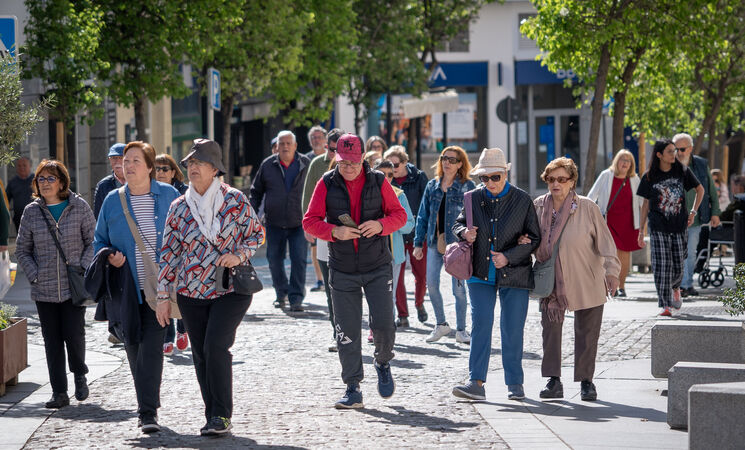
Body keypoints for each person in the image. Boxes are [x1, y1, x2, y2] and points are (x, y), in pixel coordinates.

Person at [158, 139, 264, 436]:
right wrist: (163, 295)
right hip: (190, 292)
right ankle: (213, 415)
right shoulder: (179, 207)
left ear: (214, 169)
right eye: (190, 163)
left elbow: (257, 235)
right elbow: (168, 253)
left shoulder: (235, 200)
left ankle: (221, 414)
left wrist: (238, 255)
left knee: (216, 346)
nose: (192, 168)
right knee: (201, 354)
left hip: (230, 289)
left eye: (199, 163)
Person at [303, 133, 407, 409]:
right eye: (342, 162)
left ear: (362, 158)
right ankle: (352, 387)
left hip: (377, 265)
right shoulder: (326, 183)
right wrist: (333, 231)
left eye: (352, 162)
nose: (347, 167)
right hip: (342, 267)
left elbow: (400, 216)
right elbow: (310, 221)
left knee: (384, 323)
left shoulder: (379, 181)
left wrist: (381, 226)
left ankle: (382, 361)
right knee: (346, 330)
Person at [94, 141, 180, 433]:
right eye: (125, 161)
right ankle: (147, 406)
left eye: (135, 161)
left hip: (160, 290)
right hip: (126, 290)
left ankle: (147, 412)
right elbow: (98, 240)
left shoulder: (169, 195)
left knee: (151, 350)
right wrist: (109, 255)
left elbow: (184, 235)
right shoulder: (112, 200)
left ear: (150, 167)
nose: (127, 166)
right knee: (133, 349)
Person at [450, 148, 540, 401]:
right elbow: (457, 224)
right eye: (484, 178)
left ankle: (515, 384)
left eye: (495, 177)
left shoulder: (523, 200)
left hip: (515, 272)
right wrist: (463, 233)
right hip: (479, 272)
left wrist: (508, 256)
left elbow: (534, 238)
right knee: (481, 325)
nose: (489, 183)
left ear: (505, 174)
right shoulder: (472, 198)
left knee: (512, 328)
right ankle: (476, 382)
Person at [531, 157, 621, 402]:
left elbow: (606, 243)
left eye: (562, 179)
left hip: (586, 277)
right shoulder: (538, 207)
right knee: (550, 331)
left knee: (587, 332)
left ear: (572, 181)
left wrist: (612, 272)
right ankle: (553, 380)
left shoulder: (587, 207)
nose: (556, 184)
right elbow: (530, 239)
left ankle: (586, 382)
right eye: (551, 179)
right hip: (551, 281)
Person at [15, 159, 95, 409]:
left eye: (51, 178)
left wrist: (83, 266)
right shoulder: (31, 212)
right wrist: (35, 275)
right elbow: (22, 249)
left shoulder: (78, 206)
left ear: (62, 182)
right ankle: (59, 392)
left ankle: (79, 374)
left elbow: (93, 241)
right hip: (44, 289)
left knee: (74, 336)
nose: (45, 183)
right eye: (41, 178)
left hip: (73, 287)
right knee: (52, 342)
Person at [412, 146, 475, 342]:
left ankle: (461, 330)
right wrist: (418, 243)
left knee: (459, 290)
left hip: (457, 246)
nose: (447, 162)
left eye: (452, 160)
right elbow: (422, 216)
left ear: (460, 164)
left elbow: (473, 216)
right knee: (431, 284)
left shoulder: (468, 186)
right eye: (444, 158)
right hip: (434, 243)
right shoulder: (432, 186)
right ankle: (441, 324)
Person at [637, 139, 703, 316]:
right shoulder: (649, 176)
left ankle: (675, 288)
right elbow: (645, 204)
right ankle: (665, 305)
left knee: (678, 266)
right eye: (670, 151)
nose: (674, 154)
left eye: (675, 151)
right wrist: (641, 230)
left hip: (679, 226)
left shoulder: (682, 171)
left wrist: (693, 212)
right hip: (658, 226)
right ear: (659, 155)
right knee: (661, 266)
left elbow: (700, 189)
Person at [250, 131, 310, 311]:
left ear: (295, 146)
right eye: (281, 143)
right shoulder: (268, 165)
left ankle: (296, 298)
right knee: (274, 260)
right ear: (277, 146)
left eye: (288, 143)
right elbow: (256, 191)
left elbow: (316, 190)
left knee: (299, 260)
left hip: (299, 222)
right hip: (274, 222)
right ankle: (281, 293)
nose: (285, 146)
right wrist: (252, 215)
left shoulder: (305, 164)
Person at [302, 128, 344, 351]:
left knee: (348, 288)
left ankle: (352, 329)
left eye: (337, 149)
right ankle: (337, 332)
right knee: (330, 287)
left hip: (350, 238)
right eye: (330, 148)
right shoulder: (318, 165)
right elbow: (307, 196)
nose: (332, 153)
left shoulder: (355, 166)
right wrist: (307, 224)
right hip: (325, 234)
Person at [587, 149, 642, 297]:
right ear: (616, 161)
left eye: (628, 160)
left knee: (624, 255)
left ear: (631, 164)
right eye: (622, 159)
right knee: (609, 255)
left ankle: (621, 287)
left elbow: (642, 203)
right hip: (608, 222)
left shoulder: (635, 180)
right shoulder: (606, 175)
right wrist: (588, 216)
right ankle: (608, 285)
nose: (625, 163)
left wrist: (643, 226)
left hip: (628, 223)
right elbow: (591, 196)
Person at [384, 146, 429, 324]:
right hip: (397, 235)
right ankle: (402, 315)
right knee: (397, 276)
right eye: (389, 165)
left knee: (421, 275)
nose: (392, 169)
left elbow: (426, 204)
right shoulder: (386, 180)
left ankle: (419, 303)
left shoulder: (419, 177)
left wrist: (424, 230)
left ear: (405, 163)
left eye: (395, 165)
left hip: (417, 233)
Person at [673, 133, 720, 297]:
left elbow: (711, 190)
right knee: (678, 253)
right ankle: (681, 285)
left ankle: (686, 284)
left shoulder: (700, 164)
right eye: (676, 149)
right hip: (673, 219)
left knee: (691, 252)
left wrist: (715, 213)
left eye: (682, 149)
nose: (679, 152)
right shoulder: (668, 164)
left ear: (690, 148)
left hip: (695, 218)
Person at [372, 159, 415, 338]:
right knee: (372, 293)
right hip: (369, 251)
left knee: (389, 293)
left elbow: (410, 224)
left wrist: (391, 222)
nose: (387, 178)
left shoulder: (399, 195)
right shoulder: (367, 193)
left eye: (390, 175)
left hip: (392, 253)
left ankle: (385, 331)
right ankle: (374, 327)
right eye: (382, 174)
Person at [154, 154, 188, 356]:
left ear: (174, 172)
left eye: (165, 169)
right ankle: (168, 337)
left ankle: (183, 329)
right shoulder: (150, 192)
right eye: (157, 169)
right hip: (160, 250)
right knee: (164, 291)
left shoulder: (184, 192)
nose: (160, 172)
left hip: (182, 249)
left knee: (180, 291)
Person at [93, 143, 126, 219]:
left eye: (121, 157)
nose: (117, 161)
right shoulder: (103, 186)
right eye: (114, 158)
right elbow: (98, 217)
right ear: (109, 160)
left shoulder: (138, 182)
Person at [6, 156, 33, 232]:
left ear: (30, 166)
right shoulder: (12, 182)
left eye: (24, 165)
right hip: (19, 219)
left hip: (35, 218)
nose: (22, 168)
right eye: (19, 166)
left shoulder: (36, 180)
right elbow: (6, 200)